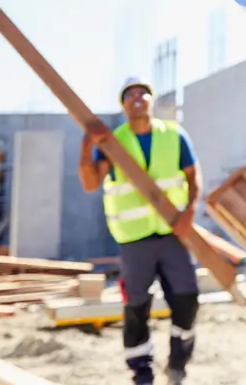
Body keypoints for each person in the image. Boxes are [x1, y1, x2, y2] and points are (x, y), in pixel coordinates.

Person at [78, 76, 202, 385]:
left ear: (151, 101)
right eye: (130, 95)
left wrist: (189, 213)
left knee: (187, 299)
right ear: (123, 105)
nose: (137, 98)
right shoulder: (112, 142)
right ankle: (142, 373)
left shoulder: (174, 135)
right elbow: (91, 184)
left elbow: (192, 176)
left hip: (172, 235)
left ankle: (177, 367)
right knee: (136, 308)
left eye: (143, 94)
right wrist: (87, 145)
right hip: (134, 241)